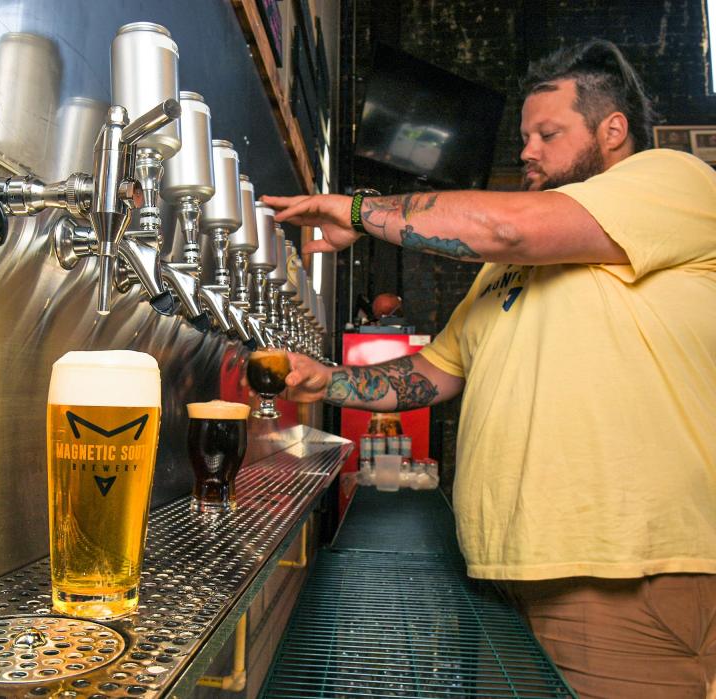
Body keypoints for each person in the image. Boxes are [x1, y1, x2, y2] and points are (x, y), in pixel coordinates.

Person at [262, 39, 716, 698]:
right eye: (525, 134)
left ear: (613, 131)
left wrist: (360, 210)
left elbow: (508, 227)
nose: (526, 149)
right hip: (517, 572)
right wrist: (324, 380)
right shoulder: (507, 270)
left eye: (548, 133)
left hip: (625, 575)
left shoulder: (672, 179)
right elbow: (434, 372)